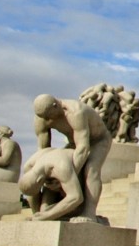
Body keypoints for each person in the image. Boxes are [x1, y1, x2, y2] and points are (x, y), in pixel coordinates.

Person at [32, 93, 112, 222]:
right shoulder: (41, 118)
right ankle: (46, 210)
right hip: (74, 143)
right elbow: (43, 151)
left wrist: (67, 174)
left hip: (98, 141)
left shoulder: (75, 112)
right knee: (53, 168)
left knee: (91, 170)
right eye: (43, 117)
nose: (46, 120)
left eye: (49, 115)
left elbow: (83, 148)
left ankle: (89, 212)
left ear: (56, 106)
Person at [19, 147, 87, 222]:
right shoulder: (29, 166)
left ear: (40, 180)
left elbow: (76, 197)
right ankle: (38, 215)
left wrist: (48, 215)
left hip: (77, 173)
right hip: (53, 176)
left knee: (75, 209)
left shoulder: (60, 167)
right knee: (43, 207)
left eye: (39, 190)